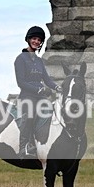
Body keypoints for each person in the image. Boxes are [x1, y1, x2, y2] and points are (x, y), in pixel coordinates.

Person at [14, 26, 62, 158]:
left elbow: (46, 79)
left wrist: (57, 87)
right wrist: (38, 89)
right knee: (31, 114)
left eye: (39, 40)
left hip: (40, 97)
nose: (36, 42)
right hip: (27, 97)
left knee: (54, 112)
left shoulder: (39, 61)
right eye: (34, 39)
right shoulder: (20, 59)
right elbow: (21, 82)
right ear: (29, 39)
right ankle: (24, 147)